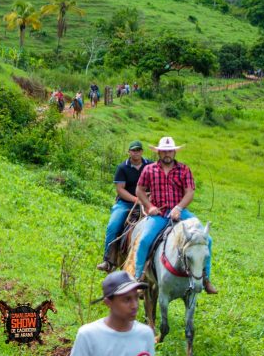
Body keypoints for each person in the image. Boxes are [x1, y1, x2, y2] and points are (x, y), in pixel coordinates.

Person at [134, 137, 217, 294]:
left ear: (174, 152)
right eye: (164, 151)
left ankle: (205, 279)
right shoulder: (149, 169)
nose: (167, 154)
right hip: (159, 212)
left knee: (207, 240)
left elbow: (189, 192)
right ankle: (138, 278)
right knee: (144, 240)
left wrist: (179, 207)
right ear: (158, 152)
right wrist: (149, 206)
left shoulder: (184, 169)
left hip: (181, 213)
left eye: (170, 151)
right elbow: (139, 190)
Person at [70, 271, 155, 356]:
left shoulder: (146, 334)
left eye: (136, 298)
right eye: (127, 299)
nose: (135, 305)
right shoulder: (88, 336)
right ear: (108, 302)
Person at [97, 141, 152, 272]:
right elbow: (120, 189)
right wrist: (136, 200)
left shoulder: (150, 165)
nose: (136, 152)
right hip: (126, 203)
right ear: (129, 152)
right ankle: (108, 260)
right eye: (133, 150)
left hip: (149, 202)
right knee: (113, 225)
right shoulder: (122, 168)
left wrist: (147, 199)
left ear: (142, 152)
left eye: (138, 150)